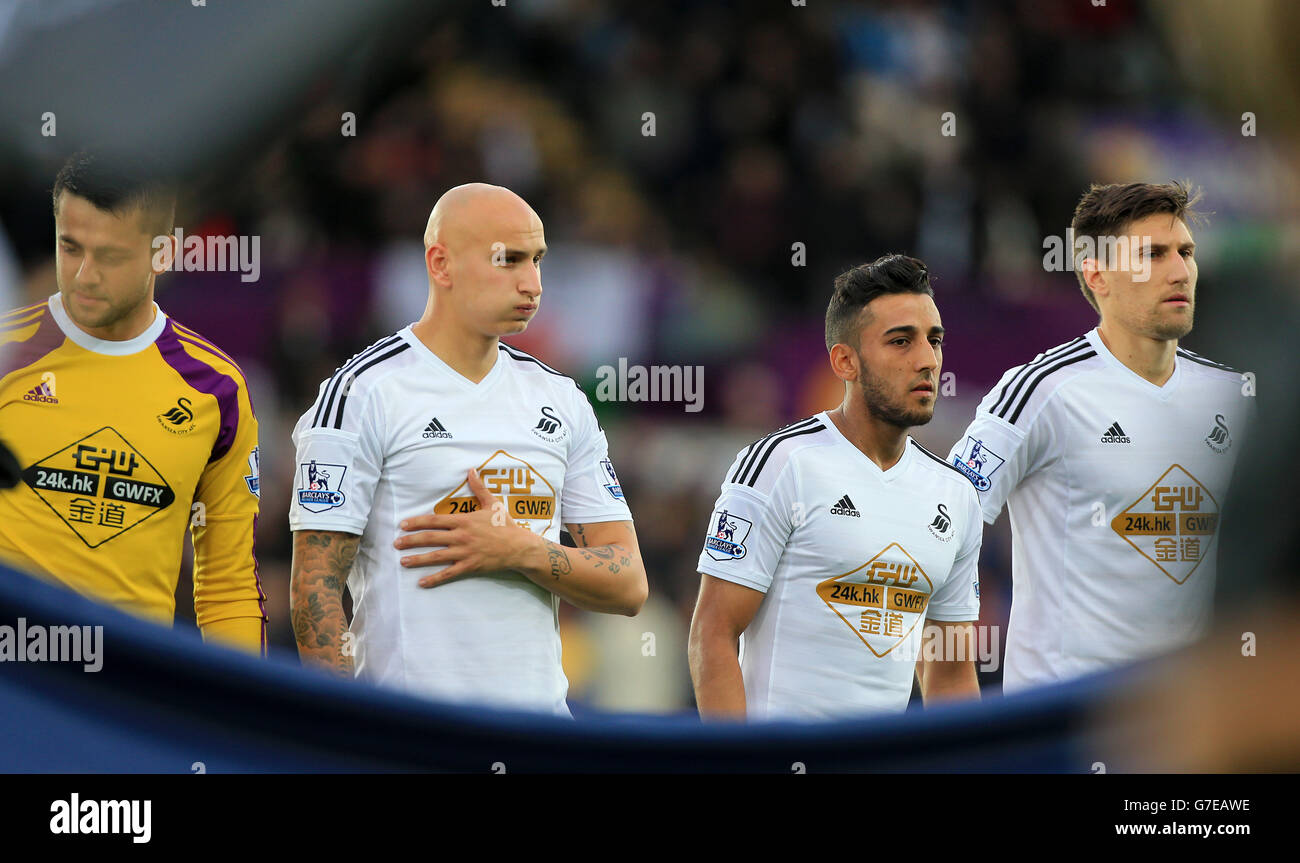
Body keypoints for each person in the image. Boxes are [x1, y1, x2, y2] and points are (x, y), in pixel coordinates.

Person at [288, 183, 647, 716]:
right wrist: (347, 733)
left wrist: (520, 550)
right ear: (441, 264)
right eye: (509, 260)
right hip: (413, 741)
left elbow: (628, 583)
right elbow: (315, 588)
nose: (533, 283)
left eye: (538, 260)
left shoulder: (562, 400)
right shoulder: (364, 392)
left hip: (541, 738)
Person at [948, 181, 1253, 693]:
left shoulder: (1234, 396)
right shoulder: (1041, 391)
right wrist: (951, 681)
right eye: (1151, 254)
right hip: (1062, 729)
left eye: (1185, 252)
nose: (1180, 270)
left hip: (1190, 726)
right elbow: (939, 526)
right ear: (1097, 274)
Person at [689, 255, 981, 721]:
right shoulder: (781, 464)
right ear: (845, 361)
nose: (927, 360)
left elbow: (949, 671)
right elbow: (713, 632)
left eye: (934, 340)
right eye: (901, 341)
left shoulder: (956, 494)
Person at [0, 151, 266, 652]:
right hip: (16, 683)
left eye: (111, 256)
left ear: (162, 254)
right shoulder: (6, 357)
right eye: (70, 248)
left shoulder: (217, 389)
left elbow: (228, 586)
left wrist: (236, 718)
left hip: (123, 699)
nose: (84, 275)